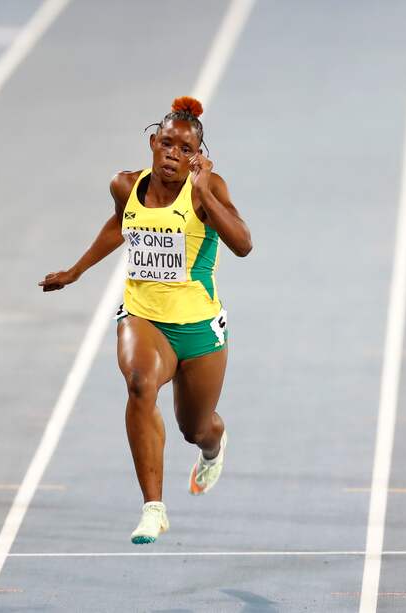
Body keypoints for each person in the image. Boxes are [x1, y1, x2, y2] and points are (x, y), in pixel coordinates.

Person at [40, 97, 252, 543]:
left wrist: (205, 192)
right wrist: (75, 271)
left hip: (198, 327)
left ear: (197, 156)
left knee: (195, 428)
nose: (173, 153)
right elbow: (120, 225)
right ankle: (153, 508)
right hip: (143, 316)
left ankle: (214, 446)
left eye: (185, 148)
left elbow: (243, 244)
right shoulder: (125, 185)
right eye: (167, 143)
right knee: (139, 382)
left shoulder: (208, 192)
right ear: (153, 143)